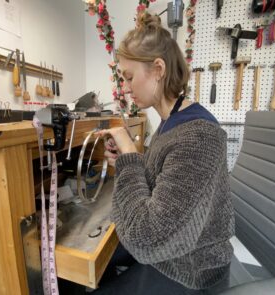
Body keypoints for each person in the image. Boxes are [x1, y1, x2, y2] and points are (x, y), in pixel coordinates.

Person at [93, 12, 235, 295]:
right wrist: (126, 161)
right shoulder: (171, 122)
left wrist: (130, 157)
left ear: (158, 69)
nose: (124, 87)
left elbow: (147, 240)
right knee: (99, 267)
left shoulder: (198, 137)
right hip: (173, 253)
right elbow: (159, 182)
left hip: (192, 270)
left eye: (129, 77)